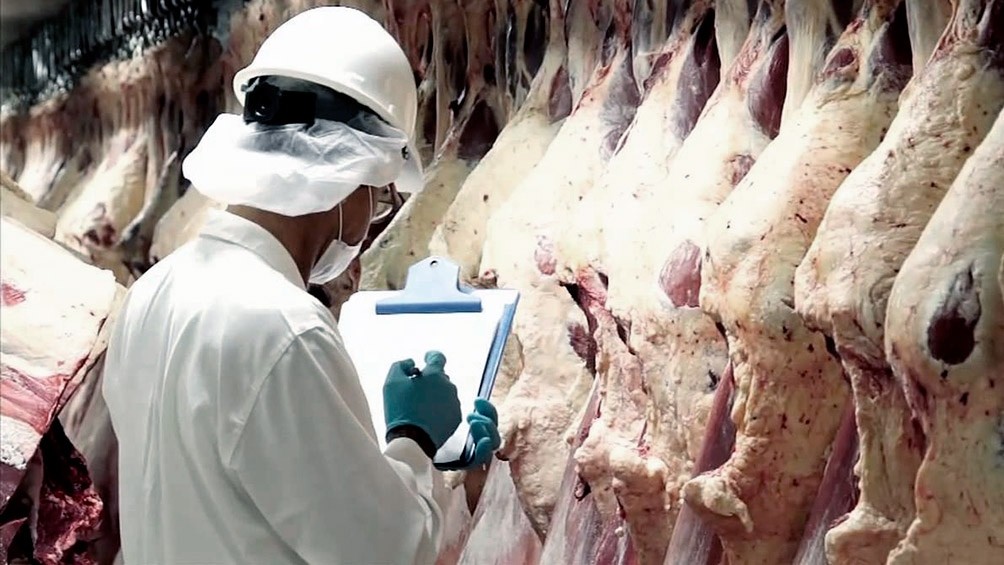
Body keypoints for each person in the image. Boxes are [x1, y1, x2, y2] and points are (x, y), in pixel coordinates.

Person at [101, 7, 500, 564]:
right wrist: (415, 436)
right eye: (379, 195)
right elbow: (383, 550)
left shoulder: (154, 292)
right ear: (351, 177)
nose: (372, 216)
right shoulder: (284, 329)